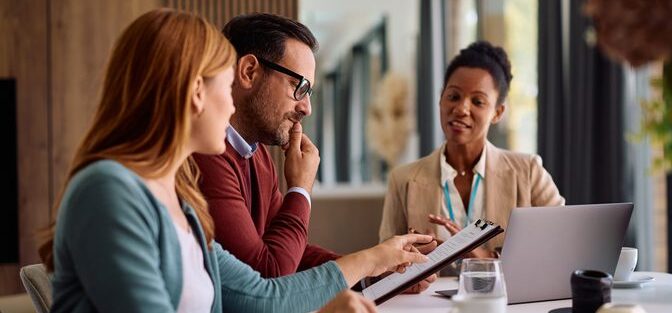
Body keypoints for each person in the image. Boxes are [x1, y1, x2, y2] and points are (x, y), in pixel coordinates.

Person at [37, 9, 431, 313]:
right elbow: (268, 281)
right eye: (224, 85)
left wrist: (375, 264)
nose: (230, 105)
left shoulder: (180, 204)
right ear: (196, 93)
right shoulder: (109, 192)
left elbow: (264, 298)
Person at [192, 13, 436, 292]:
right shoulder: (206, 155)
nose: (306, 107)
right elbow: (270, 275)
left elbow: (292, 255)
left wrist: (379, 272)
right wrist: (300, 190)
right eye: (299, 86)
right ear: (249, 72)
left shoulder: (256, 154)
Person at [379, 41, 565, 258]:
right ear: (441, 99)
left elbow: (561, 242)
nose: (461, 109)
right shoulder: (402, 179)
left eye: (477, 101)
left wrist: (487, 257)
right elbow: (383, 263)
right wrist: (406, 265)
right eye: (453, 96)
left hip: (506, 293)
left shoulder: (529, 172)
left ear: (497, 112)